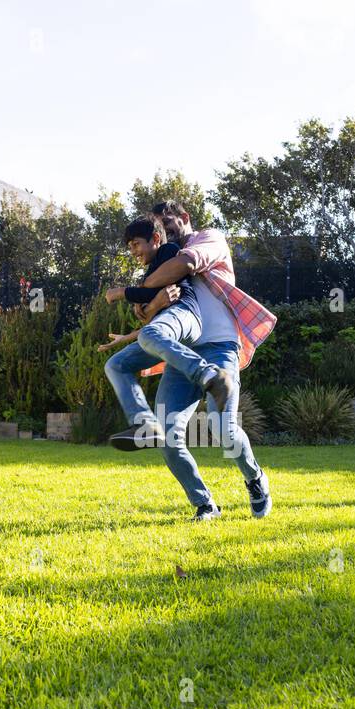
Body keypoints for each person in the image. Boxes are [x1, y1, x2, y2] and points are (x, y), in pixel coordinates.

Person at [122, 200, 277, 521]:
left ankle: (255, 479)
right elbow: (150, 310)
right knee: (166, 434)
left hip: (220, 347)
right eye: (159, 226)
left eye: (169, 222)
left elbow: (187, 265)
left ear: (185, 218)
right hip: (184, 352)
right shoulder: (161, 263)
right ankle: (205, 504)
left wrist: (134, 289)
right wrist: (147, 302)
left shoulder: (208, 239)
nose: (164, 230)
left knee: (223, 427)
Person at [99, 215, 225, 451]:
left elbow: (155, 293)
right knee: (115, 365)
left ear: (155, 238)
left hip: (185, 313)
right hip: (165, 325)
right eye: (130, 248)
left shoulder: (168, 250)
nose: (133, 252)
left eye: (136, 244)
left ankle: (209, 375)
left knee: (150, 335)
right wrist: (146, 305)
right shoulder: (148, 274)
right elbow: (148, 305)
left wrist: (122, 293)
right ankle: (145, 425)